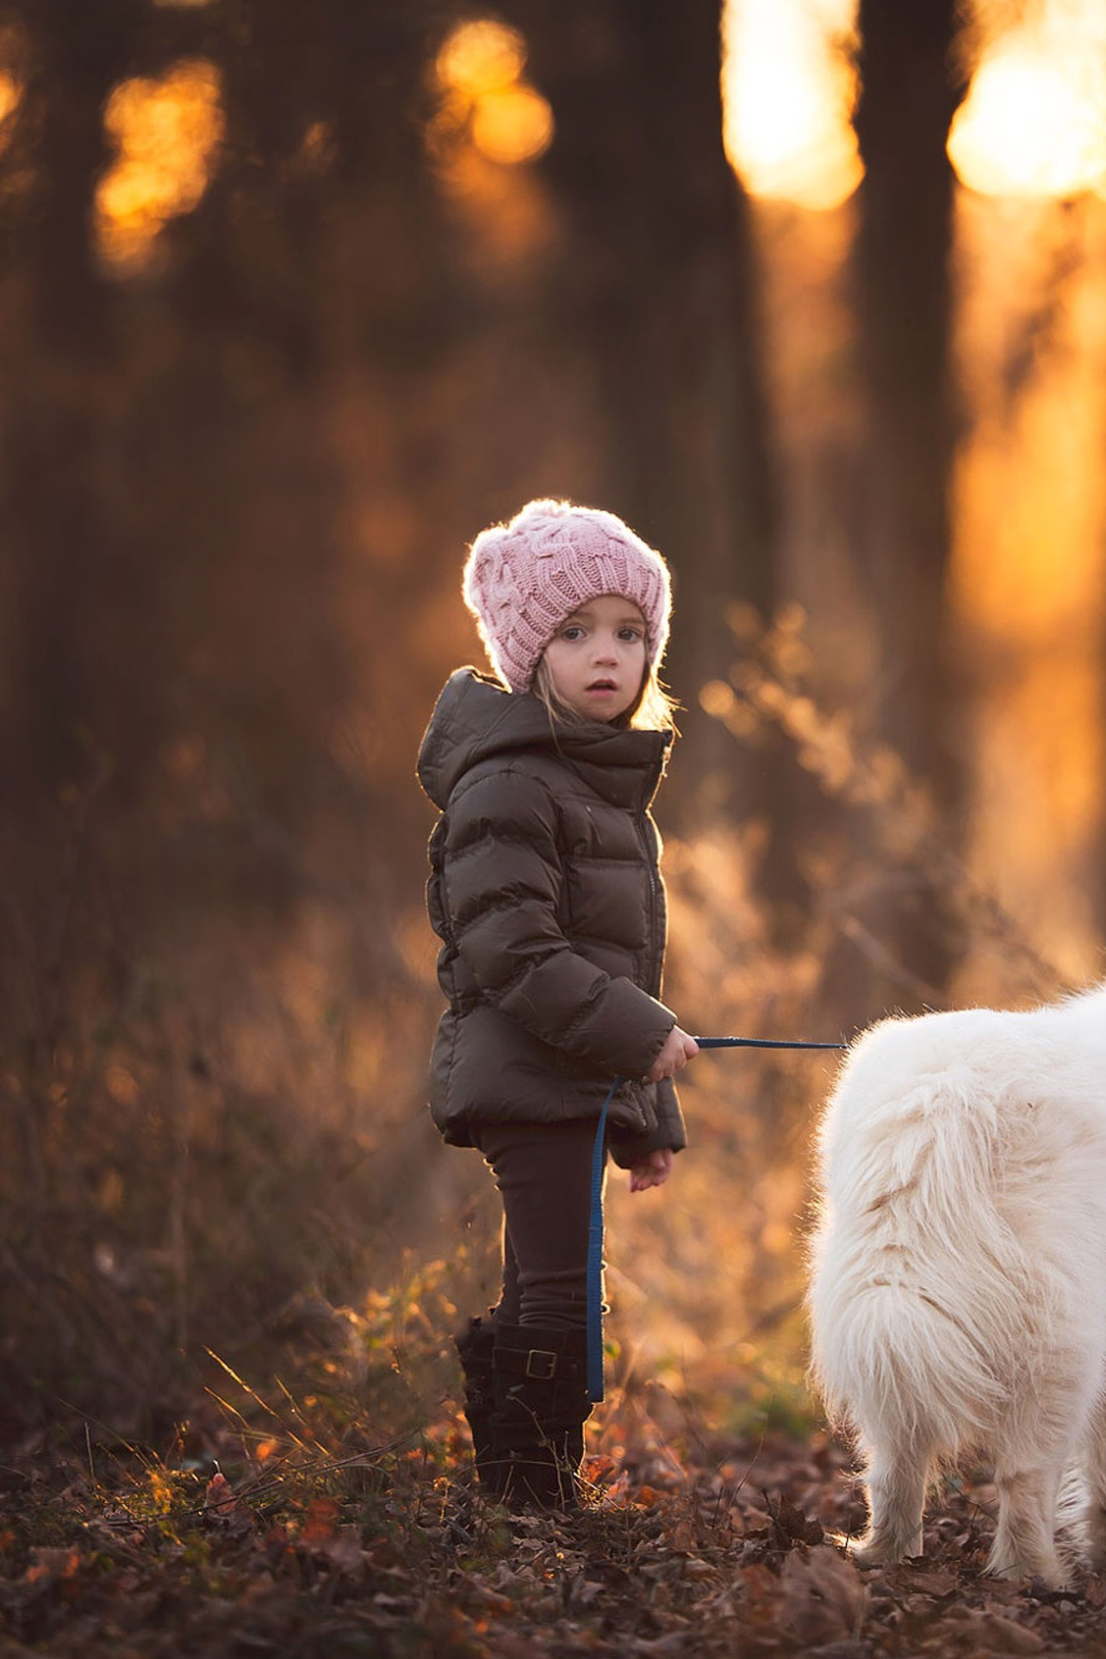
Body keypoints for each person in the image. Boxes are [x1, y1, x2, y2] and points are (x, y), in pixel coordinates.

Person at [417, 499, 703, 1509]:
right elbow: (516, 952)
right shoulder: (509, 788)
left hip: (568, 1081)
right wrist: (642, 1040)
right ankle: (532, 1497)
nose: (607, 654)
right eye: (575, 631)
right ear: (525, 650)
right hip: (526, 1076)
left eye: (630, 633)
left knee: (545, 1290)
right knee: (563, 1302)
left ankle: (513, 1491)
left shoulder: (598, 792)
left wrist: (643, 1118)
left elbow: (621, 970)